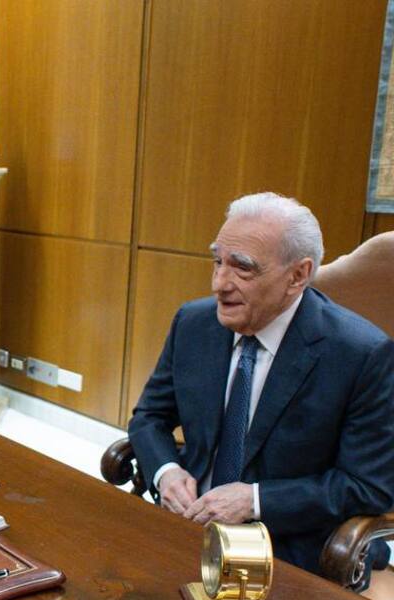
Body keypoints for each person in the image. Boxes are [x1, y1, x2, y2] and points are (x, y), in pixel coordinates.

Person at [129, 192, 394, 577]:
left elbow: (367, 486)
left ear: (298, 275)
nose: (220, 283)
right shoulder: (193, 323)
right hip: (184, 524)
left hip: (288, 545)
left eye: (243, 269)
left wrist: (254, 500)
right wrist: (166, 471)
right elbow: (149, 416)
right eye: (218, 261)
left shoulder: (361, 354)